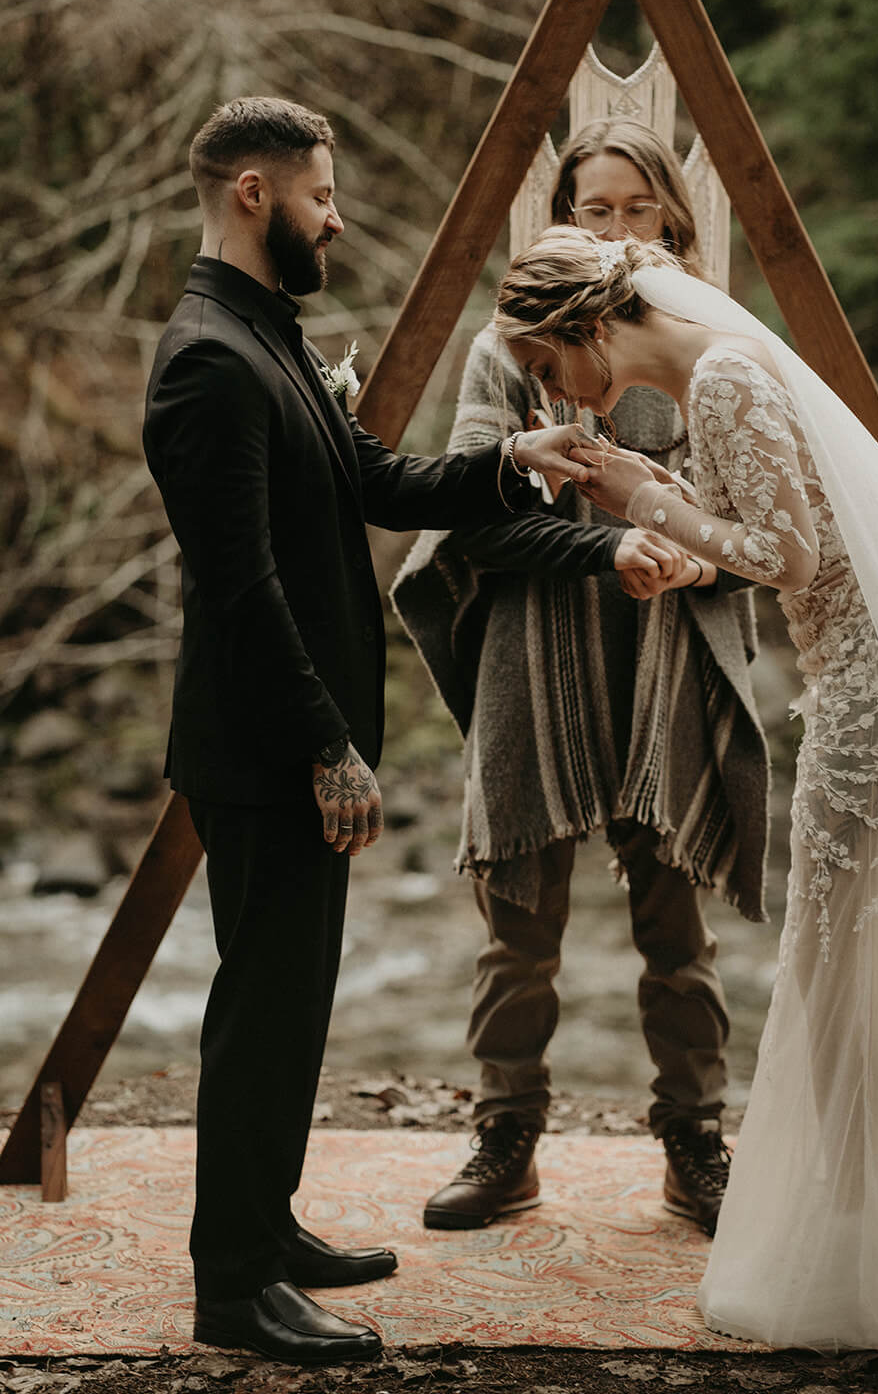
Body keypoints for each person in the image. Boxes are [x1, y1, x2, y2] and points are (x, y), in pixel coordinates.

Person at [491, 226, 878, 1394]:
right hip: (861, 690)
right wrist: (665, 523)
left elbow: (789, 559)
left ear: (580, 328)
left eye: (549, 368)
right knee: (849, 969)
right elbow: (768, 532)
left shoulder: (722, 373)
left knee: (839, 970)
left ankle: (861, 1247)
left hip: (871, 706)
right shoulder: (718, 369)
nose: (558, 394)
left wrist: (640, 491)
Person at [141, 97, 591, 1367]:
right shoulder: (205, 363)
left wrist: (518, 461)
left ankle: (264, 1225)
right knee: (260, 1008)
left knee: (294, 1004)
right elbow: (238, 586)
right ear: (250, 193)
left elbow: (380, 483)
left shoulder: (264, 335)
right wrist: (327, 743)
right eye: (319, 195)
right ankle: (231, 1288)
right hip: (265, 744)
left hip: (296, 738)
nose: (335, 216)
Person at [392, 120, 769, 1235]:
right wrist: (606, 540)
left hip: (667, 658)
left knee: (675, 935)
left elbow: (747, 512)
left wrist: (692, 551)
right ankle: (506, 1136)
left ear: (673, 219)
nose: (613, 229)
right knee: (517, 928)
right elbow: (474, 510)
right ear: (558, 219)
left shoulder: (712, 347)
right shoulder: (502, 350)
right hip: (531, 662)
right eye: (589, 210)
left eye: (635, 208)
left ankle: (692, 1144)